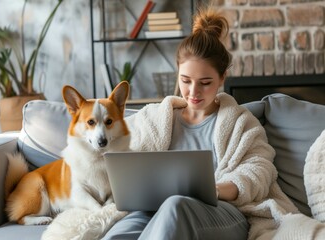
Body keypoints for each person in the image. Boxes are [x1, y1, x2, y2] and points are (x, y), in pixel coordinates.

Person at [102, 5, 298, 240]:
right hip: (153, 209)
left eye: (205, 82)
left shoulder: (240, 123)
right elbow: (116, 151)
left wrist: (218, 190)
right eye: (185, 80)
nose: (193, 91)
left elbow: (260, 170)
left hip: (223, 213)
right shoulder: (153, 119)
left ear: (222, 77)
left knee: (176, 206)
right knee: (122, 230)